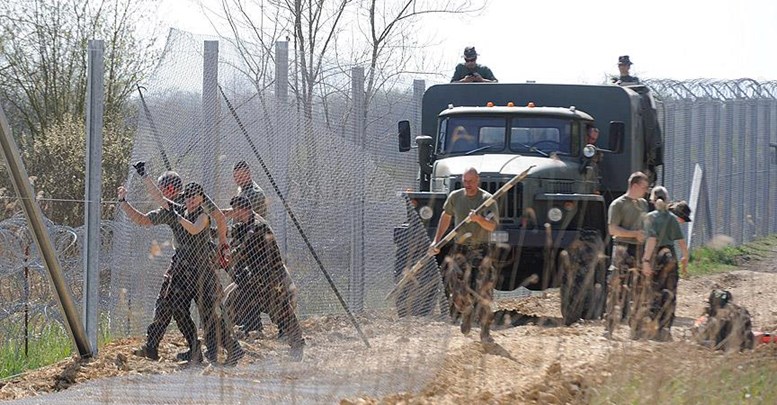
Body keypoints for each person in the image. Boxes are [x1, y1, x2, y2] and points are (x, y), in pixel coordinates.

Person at [117, 171, 201, 363]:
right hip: (187, 264)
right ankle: (154, 346)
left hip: (188, 266)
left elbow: (144, 219)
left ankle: (193, 348)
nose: (160, 193)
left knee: (171, 304)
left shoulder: (177, 206)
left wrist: (125, 200)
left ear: (170, 189)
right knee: (171, 306)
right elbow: (144, 220)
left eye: (163, 188)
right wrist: (123, 202)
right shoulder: (180, 206)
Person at [223, 195, 305, 359]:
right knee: (231, 301)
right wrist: (216, 224)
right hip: (256, 279)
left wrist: (225, 258)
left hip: (271, 279)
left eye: (235, 211)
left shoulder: (257, 227)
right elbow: (231, 232)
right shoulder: (246, 223)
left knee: (281, 311)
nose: (233, 214)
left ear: (242, 210)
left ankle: (297, 344)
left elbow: (241, 250)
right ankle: (223, 342)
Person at [430, 167, 499, 343]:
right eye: (465, 181)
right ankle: (466, 312)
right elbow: (446, 217)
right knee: (457, 289)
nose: (467, 185)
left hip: (481, 250)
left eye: (470, 181)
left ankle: (485, 332)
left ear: (478, 181)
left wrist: (478, 219)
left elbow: (492, 226)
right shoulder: (455, 197)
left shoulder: (487, 200)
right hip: (460, 250)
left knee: (484, 291)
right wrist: (436, 241)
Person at [631, 186, 689, 341]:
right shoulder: (671, 218)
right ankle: (665, 330)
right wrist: (685, 260)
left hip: (654, 256)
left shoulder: (649, 217)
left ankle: (649, 329)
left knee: (651, 293)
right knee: (669, 294)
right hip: (670, 257)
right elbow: (682, 243)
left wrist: (645, 260)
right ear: (667, 199)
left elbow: (651, 240)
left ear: (652, 200)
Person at [605, 171, 649, 333]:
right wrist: (634, 234)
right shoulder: (618, 204)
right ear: (635, 185)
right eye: (644, 187)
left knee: (639, 289)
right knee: (617, 288)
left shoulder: (643, 204)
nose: (646, 190)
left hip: (639, 249)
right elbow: (612, 229)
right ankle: (610, 324)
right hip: (623, 248)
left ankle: (636, 327)